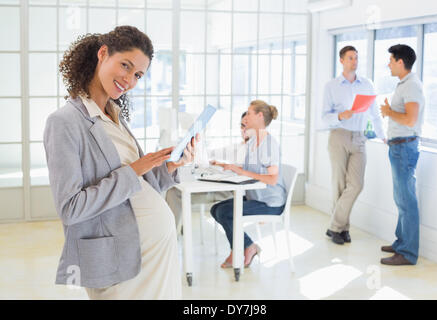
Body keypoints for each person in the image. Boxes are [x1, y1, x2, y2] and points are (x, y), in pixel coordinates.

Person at [44, 26, 197, 299]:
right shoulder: (64, 122)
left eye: (138, 74)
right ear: (103, 54)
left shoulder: (115, 117)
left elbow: (137, 185)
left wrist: (169, 168)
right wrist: (133, 169)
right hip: (120, 264)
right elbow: (71, 207)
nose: (129, 79)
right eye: (125, 66)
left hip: (153, 257)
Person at [210, 100, 287, 268]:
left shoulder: (269, 144)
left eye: (249, 113)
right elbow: (247, 169)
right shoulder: (252, 142)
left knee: (225, 213)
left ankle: (241, 250)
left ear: (260, 116)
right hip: (255, 197)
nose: (245, 118)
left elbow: (272, 178)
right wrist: (226, 166)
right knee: (216, 210)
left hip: (270, 203)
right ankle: (247, 246)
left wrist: (242, 172)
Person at [322, 45, 386, 245]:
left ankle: (334, 226)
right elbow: (324, 117)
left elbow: (375, 113)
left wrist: (383, 135)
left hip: (359, 138)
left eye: (357, 58)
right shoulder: (331, 86)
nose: (355, 61)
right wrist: (341, 115)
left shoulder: (367, 84)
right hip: (338, 135)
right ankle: (343, 229)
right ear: (341, 60)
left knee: (357, 184)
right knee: (339, 185)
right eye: (350, 58)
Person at [379, 44, 425, 266]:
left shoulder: (412, 86)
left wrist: (388, 113)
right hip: (399, 147)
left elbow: (410, 120)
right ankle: (401, 243)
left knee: (406, 201)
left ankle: (407, 253)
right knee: (401, 199)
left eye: (390, 60)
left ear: (400, 62)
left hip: (404, 148)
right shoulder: (404, 85)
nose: (388, 63)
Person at [166, 112, 249, 230]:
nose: (244, 129)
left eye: (247, 126)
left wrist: (228, 166)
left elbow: (247, 172)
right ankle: (174, 230)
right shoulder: (239, 145)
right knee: (174, 190)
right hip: (223, 185)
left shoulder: (254, 147)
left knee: (176, 193)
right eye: (242, 125)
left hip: (232, 191)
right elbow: (216, 153)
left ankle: (172, 233)